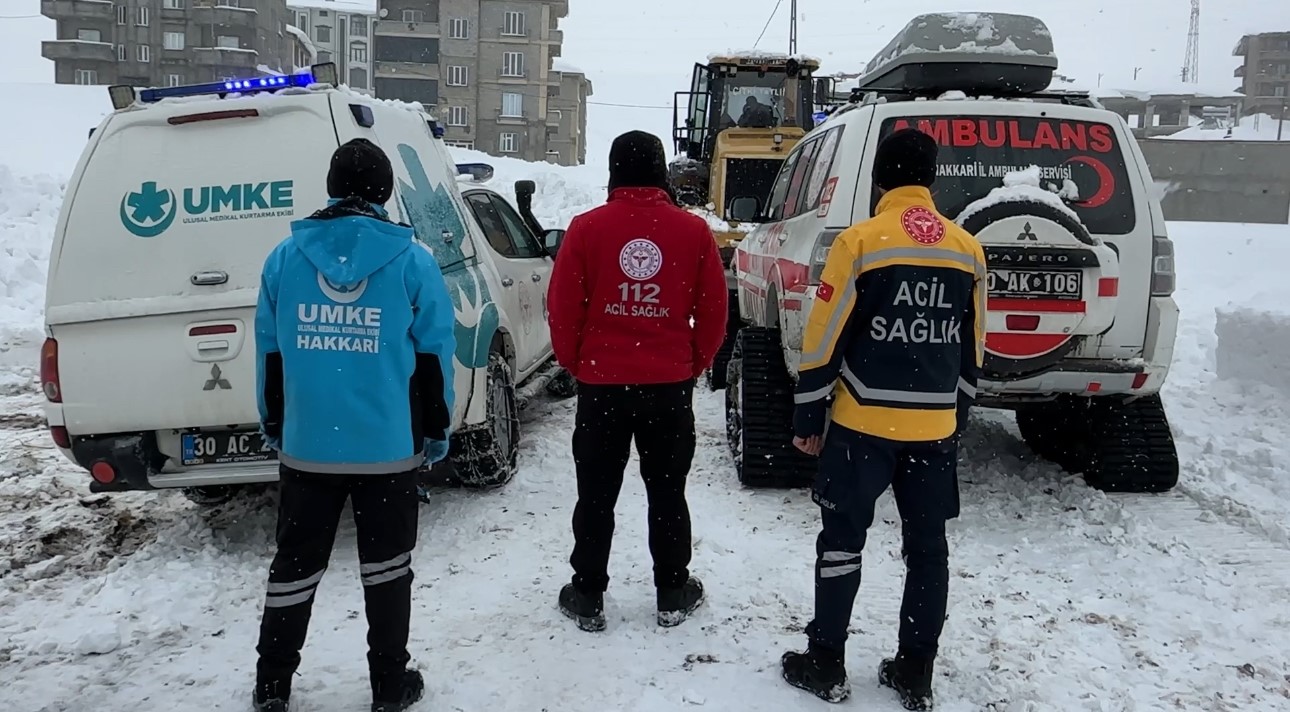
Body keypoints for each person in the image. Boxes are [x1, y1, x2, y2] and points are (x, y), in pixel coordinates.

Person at [779, 128, 986, 710]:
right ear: (932, 179)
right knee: (928, 550)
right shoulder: (967, 249)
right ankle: (916, 669)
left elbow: (825, 335)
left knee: (842, 542)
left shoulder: (860, 242)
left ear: (878, 181)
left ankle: (826, 663)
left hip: (862, 423)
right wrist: (956, 412)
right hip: (934, 428)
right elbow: (975, 344)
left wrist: (809, 411)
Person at [252, 138, 457, 712]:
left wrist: (276, 422)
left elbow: (270, 353)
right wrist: (435, 432)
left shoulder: (284, 260)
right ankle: (389, 686)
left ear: (332, 188)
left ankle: (272, 685)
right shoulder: (412, 260)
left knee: (294, 566)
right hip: (387, 448)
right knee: (387, 569)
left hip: (308, 445)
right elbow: (433, 355)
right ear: (386, 193)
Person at [546, 130, 729, 633]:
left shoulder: (585, 230)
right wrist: (692, 363)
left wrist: (579, 364)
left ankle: (587, 594)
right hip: (668, 387)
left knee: (596, 493)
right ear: (661, 173)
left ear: (613, 172)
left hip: (602, 386)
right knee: (668, 491)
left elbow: (562, 308)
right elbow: (714, 312)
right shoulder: (692, 233)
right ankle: (672, 590)